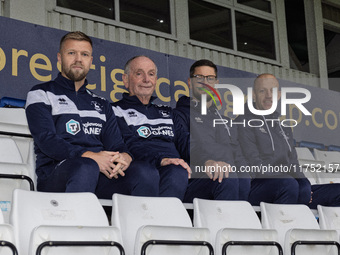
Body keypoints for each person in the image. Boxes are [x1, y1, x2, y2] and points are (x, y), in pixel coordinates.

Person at [25, 31, 159, 198]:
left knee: (145, 171)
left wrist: (125, 156)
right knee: (86, 167)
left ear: (91, 61)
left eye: (85, 54)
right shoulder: (40, 93)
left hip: (100, 174)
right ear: (60, 58)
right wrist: (91, 157)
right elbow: (47, 140)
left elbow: (117, 145)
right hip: (57, 172)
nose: (78, 59)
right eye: (71, 53)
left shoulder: (101, 103)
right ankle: (77, 224)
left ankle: (137, 224)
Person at [237, 73, 340, 208]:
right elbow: (255, 167)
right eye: (263, 91)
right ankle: (285, 227)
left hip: (290, 186)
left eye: (272, 91)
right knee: (288, 184)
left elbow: (293, 163)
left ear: (279, 95)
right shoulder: (243, 122)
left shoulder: (283, 127)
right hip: (259, 186)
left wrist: (304, 184)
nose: (269, 95)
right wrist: (294, 182)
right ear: (254, 95)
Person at [112, 55, 190, 200]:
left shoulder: (168, 112)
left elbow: (186, 143)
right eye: (139, 73)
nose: (146, 80)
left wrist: (207, 160)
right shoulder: (114, 110)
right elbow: (128, 145)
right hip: (143, 171)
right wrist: (162, 159)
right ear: (125, 79)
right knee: (175, 171)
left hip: (177, 172)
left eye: (151, 74)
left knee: (226, 177)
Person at [174, 59, 251, 202]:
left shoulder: (226, 121)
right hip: (195, 181)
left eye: (210, 78)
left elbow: (238, 155)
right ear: (190, 82)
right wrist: (208, 161)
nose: (205, 82)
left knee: (244, 178)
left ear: (216, 83)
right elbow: (187, 145)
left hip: (231, 180)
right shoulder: (179, 114)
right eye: (199, 77)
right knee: (226, 177)